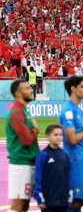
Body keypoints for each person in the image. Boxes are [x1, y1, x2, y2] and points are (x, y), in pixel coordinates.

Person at [6, 80, 39, 212]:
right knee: (18, 206)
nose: (31, 90)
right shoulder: (17, 112)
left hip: (28, 162)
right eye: (27, 88)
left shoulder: (24, 111)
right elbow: (25, 140)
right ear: (18, 93)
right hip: (21, 164)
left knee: (24, 205)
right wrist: (35, 129)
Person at [59, 76, 83, 212]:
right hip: (74, 160)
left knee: (79, 201)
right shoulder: (68, 110)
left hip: (81, 159)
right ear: (73, 89)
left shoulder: (77, 109)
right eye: (82, 86)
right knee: (73, 201)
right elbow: (71, 139)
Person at [34, 124, 73, 212]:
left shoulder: (65, 155)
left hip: (64, 201)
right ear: (48, 137)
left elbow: (69, 177)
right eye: (55, 135)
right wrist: (40, 199)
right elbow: (38, 179)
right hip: (48, 202)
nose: (58, 137)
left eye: (60, 134)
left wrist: (70, 194)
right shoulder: (43, 155)